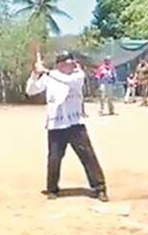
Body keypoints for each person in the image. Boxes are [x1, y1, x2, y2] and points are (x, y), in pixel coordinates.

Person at [26, 51, 109, 202]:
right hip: (56, 124)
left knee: (88, 156)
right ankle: (52, 189)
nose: (70, 66)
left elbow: (66, 81)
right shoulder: (50, 77)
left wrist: (45, 71)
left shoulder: (77, 75)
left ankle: (100, 188)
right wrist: (35, 74)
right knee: (54, 158)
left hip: (75, 124)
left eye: (71, 63)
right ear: (59, 65)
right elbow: (30, 90)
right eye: (66, 63)